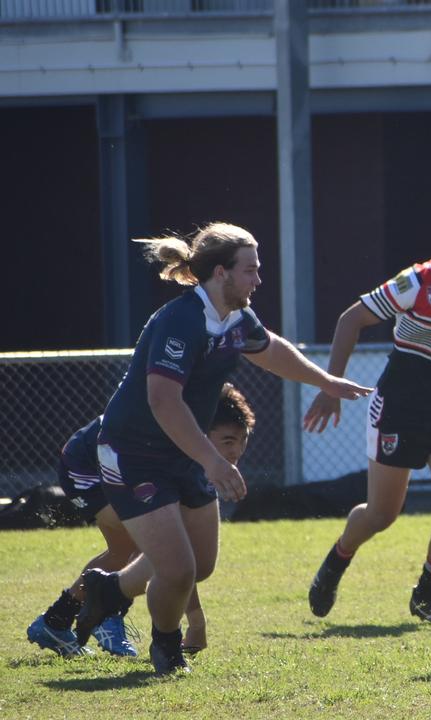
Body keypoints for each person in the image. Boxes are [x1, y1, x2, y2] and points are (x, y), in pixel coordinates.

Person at [70, 222, 372, 674]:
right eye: (250, 270)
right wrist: (212, 459)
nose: (258, 279)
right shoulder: (181, 320)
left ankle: (108, 592)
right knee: (177, 570)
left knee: (200, 566)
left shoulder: (236, 318)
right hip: (136, 454)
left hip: (184, 452)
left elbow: (271, 349)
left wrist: (325, 381)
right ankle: (166, 647)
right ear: (220, 273)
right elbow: (162, 400)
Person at [304, 208, 431, 625]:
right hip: (399, 406)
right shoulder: (419, 280)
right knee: (382, 515)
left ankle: (427, 594)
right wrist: (332, 386)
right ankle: (337, 559)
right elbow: (351, 319)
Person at [26, 384, 254, 658]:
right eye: (229, 441)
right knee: (150, 543)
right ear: (202, 431)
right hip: (85, 467)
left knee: (126, 551)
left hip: (116, 464)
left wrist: (197, 621)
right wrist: (196, 621)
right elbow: (171, 549)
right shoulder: (174, 447)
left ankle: (56, 621)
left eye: (243, 440)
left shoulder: (196, 453)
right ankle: (107, 615)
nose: (237, 451)